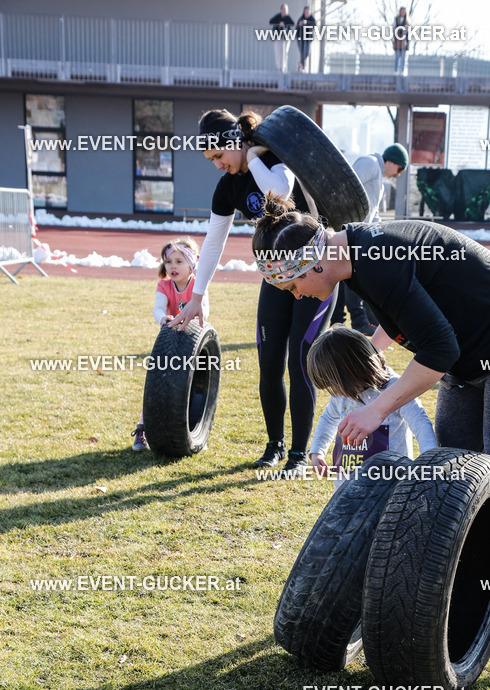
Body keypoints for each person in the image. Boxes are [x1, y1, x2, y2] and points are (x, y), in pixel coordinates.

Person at [252, 194, 490, 681]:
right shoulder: (355, 257)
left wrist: (379, 408)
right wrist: (370, 351)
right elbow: (408, 313)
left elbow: (439, 349)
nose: (296, 295)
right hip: (470, 358)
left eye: (293, 283)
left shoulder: (374, 256)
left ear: (315, 260)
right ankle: (460, 611)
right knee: (452, 487)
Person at [166, 108, 337, 477]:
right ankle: (274, 445)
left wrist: (255, 155)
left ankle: (298, 453)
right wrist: (196, 296)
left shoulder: (275, 158)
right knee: (270, 363)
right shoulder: (227, 186)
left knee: (300, 362)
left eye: (218, 155)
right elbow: (213, 243)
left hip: (315, 275)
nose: (216, 165)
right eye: (210, 159)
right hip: (276, 277)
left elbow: (279, 192)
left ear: (235, 141)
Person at [307, 325, 437, 490]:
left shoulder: (396, 389)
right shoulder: (340, 396)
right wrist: (317, 451)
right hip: (346, 488)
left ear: (355, 370)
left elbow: (420, 422)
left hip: (389, 485)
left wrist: (428, 461)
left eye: (336, 384)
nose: (335, 391)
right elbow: (328, 419)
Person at [131, 237, 209, 452]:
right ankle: (143, 428)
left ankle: (195, 432)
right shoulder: (164, 285)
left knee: (192, 387)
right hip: (169, 343)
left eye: (179, 261)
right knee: (157, 385)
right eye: (168, 262)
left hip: (193, 343)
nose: (172, 266)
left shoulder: (197, 284)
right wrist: (163, 318)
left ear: (192, 263)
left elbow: (206, 309)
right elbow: (158, 308)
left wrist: (190, 319)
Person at [331, 143, 408, 335]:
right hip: (351, 231)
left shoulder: (377, 173)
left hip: (359, 231)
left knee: (343, 275)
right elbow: (346, 185)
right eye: (399, 168)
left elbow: (372, 211)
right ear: (391, 161)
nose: (397, 174)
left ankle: (338, 321)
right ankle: (358, 322)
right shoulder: (370, 163)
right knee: (354, 274)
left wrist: (383, 230)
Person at [270, 4, 295, 73]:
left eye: (286, 9)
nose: (285, 11)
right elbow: (271, 21)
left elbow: (292, 23)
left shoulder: (288, 17)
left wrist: (285, 24)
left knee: (284, 53)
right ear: (281, 10)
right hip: (277, 37)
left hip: (286, 38)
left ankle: (283, 68)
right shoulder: (278, 16)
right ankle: (278, 68)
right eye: (283, 9)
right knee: (278, 53)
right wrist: (279, 23)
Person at [296, 7, 316, 72]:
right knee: (302, 52)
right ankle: (303, 66)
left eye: (308, 12)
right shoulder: (301, 18)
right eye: (305, 12)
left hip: (308, 39)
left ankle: (301, 64)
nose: (306, 13)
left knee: (306, 52)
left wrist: (307, 23)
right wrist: (300, 24)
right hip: (300, 38)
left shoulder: (312, 19)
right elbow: (297, 27)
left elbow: (314, 25)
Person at [393, 7, 409, 75]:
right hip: (397, 41)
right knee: (397, 56)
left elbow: (408, 32)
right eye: (402, 11)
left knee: (403, 57)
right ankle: (396, 70)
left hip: (404, 41)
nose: (403, 12)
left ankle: (402, 71)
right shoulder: (396, 19)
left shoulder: (407, 21)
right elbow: (393, 29)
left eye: (404, 11)